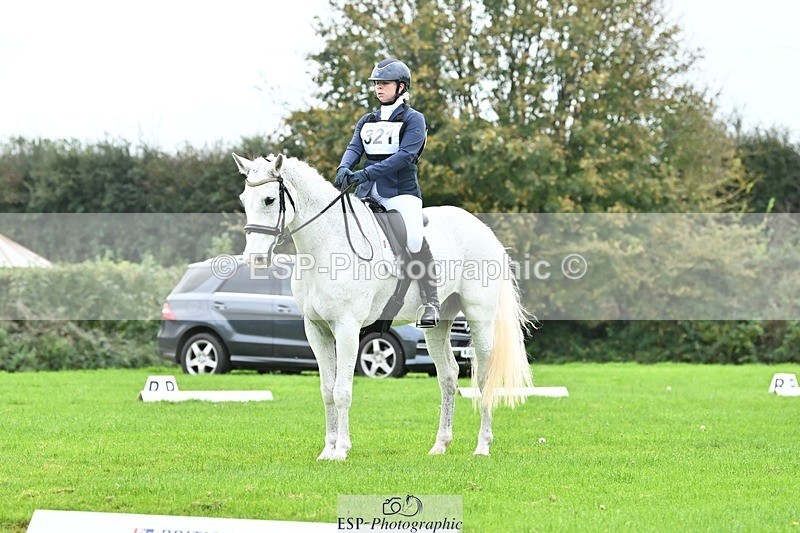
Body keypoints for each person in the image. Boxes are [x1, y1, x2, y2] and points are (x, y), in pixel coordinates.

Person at [333, 57, 439, 328]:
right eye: (376, 84)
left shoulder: (414, 119)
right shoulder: (367, 120)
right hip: (367, 192)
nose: (379, 88)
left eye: (384, 84)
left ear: (401, 87)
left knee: (414, 239)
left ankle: (430, 302)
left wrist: (366, 173)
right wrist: (345, 167)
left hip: (400, 192)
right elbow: (354, 148)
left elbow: (405, 156)